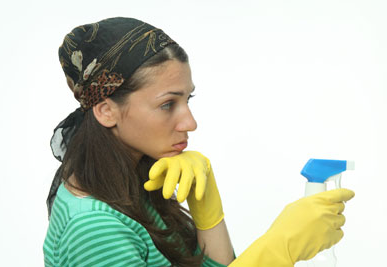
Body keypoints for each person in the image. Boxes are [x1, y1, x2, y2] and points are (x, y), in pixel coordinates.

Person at [43, 17, 355, 267]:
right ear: (106, 110)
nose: (190, 123)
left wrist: (207, 208)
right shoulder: (94, 229)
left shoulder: (136, 184)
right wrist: (279, 248)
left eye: (187, 100)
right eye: (168, 104)